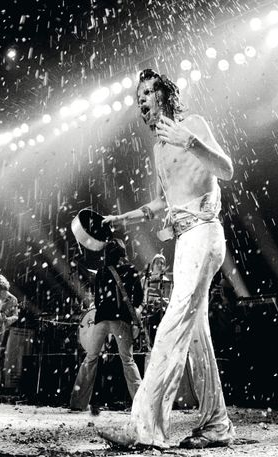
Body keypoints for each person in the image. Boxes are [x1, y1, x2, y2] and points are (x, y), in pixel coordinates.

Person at [100, 69, 235, 449]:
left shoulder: (191, 124)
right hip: (185, 241)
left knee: (172, 326)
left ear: (164, 94)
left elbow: (226, 169)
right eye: (137, 95)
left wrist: (190, 140)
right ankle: (217, 424)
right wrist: (121, 218)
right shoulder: (159, 147)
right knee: (196, 337)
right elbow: (164, 202)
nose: (141, 99)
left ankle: (145, 428)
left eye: (147, 91)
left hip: (204, 234)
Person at [70, 238, 143, 412]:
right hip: (121, 320)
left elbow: (97, 300)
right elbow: (139, 299)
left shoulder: (102, 271)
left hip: (101, 319)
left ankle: (78, 403)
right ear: (123, 252)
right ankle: (141, 404)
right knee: (128, 360)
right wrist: (134, 318)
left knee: (90, 358)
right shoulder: (131, 270)